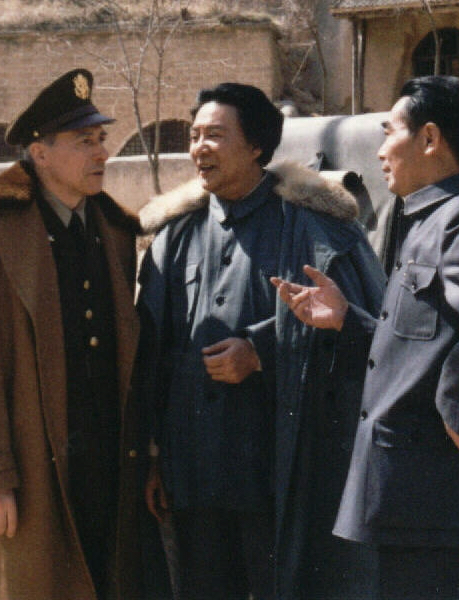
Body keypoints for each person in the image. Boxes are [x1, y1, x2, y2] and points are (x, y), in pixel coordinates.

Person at [273, 75, 459, 600]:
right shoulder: (429, 218)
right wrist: (346, 320)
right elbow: (421, 347)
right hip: (418, 502)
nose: (380, 151)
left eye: (389, 132)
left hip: (438, 505)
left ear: (429, 139)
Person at [136, 83, 385, 600]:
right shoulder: (174, 237)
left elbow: (367, 336)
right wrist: (156, 457)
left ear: (256, 147)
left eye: (216, 135)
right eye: (195, 135)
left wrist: (264, 354)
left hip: (281, 478)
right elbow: (151, 357)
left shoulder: (320, 230)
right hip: (196, 478)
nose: (199, 148)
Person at [0, 68, 143, 599]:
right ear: (39, 153)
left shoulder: (115, 229)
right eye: (83, 142)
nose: (101, 154)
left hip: (101, 456)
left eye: (101, 140)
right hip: (26, 460)